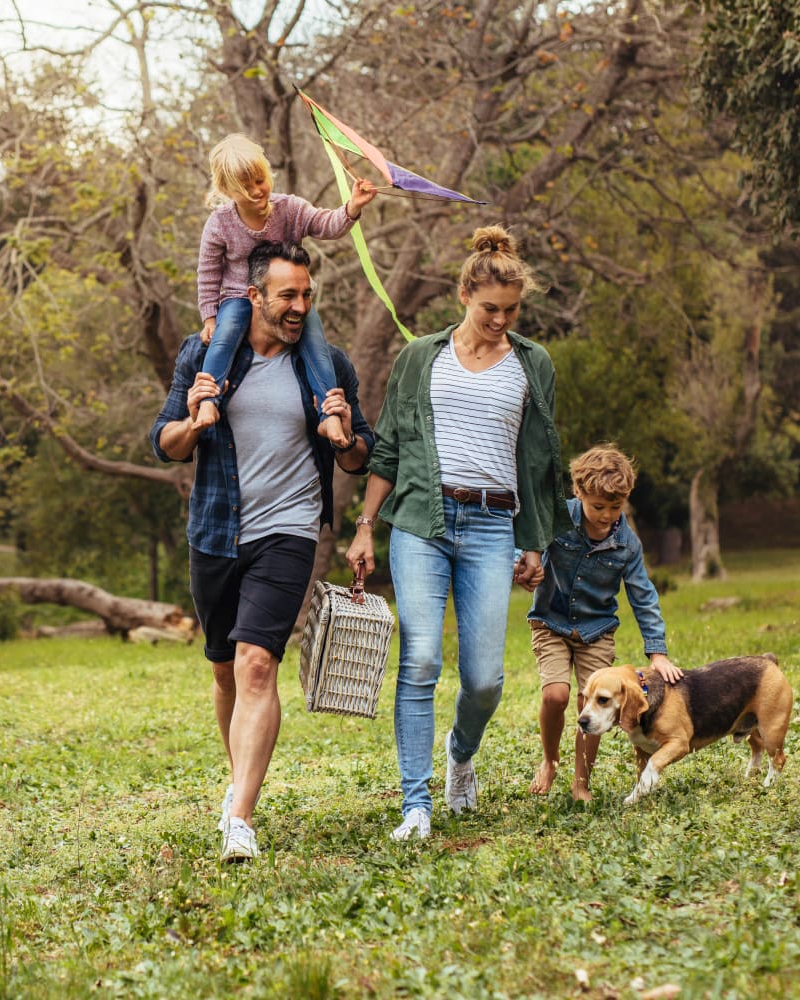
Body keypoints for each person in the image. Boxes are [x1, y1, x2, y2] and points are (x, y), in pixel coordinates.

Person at [150, 241, 374, 862]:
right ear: (254, 296)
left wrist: (347, 431)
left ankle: (241, 818)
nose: (299, 305)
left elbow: (361, 454)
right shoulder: (205, 354)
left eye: (307, 294)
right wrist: (195, 423)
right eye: (287, 295)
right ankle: (237, 782)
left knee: (256, 665)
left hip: (290, 530)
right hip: (217, 532)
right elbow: (163, 440)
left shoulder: (326, 364)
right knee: (224, 667)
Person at [345, 224, 570, 842]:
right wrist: (366, 528)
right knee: (419, 660)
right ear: (464, 296)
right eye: (489, 309)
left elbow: (541, 459)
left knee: (483, 679)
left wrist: (536, 540)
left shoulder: (533, 364)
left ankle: (461, 751)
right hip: (422, 521)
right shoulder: (421, 357)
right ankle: (414, 804)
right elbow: (387, 449)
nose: (500, 320)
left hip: (493, 524)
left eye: (511, 310)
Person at [526, 443, 683, 801]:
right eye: (598, 506)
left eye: (616, 507)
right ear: (579, 493)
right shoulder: (557, 519)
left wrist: (657, 652)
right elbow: (528, 548)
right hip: (551, 622)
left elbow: (643, 596)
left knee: (593, 702)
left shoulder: (627, 543)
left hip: (597, 632)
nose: (607, 515)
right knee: (556, 695)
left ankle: (581, 783)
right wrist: (524, 567)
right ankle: (550, 760)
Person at [192, 133, 377, 431]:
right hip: (239, 296)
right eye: (245, 186)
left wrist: (352, 207)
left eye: (259, 180)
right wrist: (210, 317)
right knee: (224, 337)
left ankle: (328, 415)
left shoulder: (289, 209)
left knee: (315, 342)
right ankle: (208, 403)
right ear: (226, 190)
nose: (256, 190)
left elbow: (326, 225)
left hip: (290, 297)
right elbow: (208, 272)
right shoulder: (220, 223)